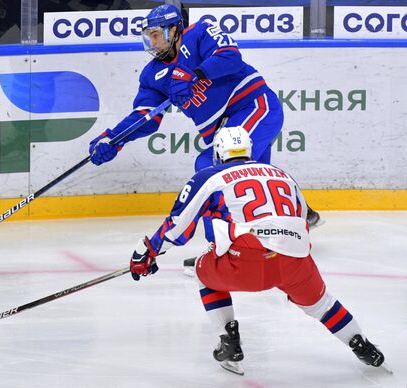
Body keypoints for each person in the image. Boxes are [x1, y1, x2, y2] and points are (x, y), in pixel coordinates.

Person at [128, 126, 387, 375]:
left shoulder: (210, 177)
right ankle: (361, 344)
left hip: (245, 263)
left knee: (202, 270)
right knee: (323, 305)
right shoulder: (282, 174)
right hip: (295, 262)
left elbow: (177, 227)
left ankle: (229, 341)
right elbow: (304, 217)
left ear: (218, 153)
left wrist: (147, 251)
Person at [87, 3, 321, 228]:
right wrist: (114, 139)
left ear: (175, 30)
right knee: (253, 181)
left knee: (211, 165)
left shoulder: (199, 32)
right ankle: (294, 216)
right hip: (226, 131)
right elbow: (145, 117)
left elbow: (230, 56)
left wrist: (194, 74)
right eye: (149, 36)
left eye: (157, 34)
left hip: (254, 107)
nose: (152, 41)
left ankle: (221, 247)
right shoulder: (151, 75)